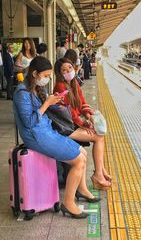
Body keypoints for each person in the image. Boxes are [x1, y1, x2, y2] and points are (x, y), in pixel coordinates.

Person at [13, 56, 100, 219]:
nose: (47, 79)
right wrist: (47, 104)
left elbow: (40, 114)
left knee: (83, 153)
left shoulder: (33, 88)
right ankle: (68, 203)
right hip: (36, 136)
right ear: (35, 74)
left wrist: (53, 103)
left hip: (45, 131)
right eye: (45, 76)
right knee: (78, 161)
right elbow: (29, 122)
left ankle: (81, 190)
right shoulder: (22, 93)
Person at [54, 57, 112, 190]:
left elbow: (82, 103)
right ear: (60, 73)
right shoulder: (61, 86)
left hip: (71, 124)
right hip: (65, 127)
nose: (68, 70)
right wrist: (85, 124)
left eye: (69, 67)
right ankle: (98, 174)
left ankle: (100, 171)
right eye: (64, 69)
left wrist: (89, 116)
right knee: (98, 137)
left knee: (99, 134)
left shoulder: (73, 82)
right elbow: (70, 113)